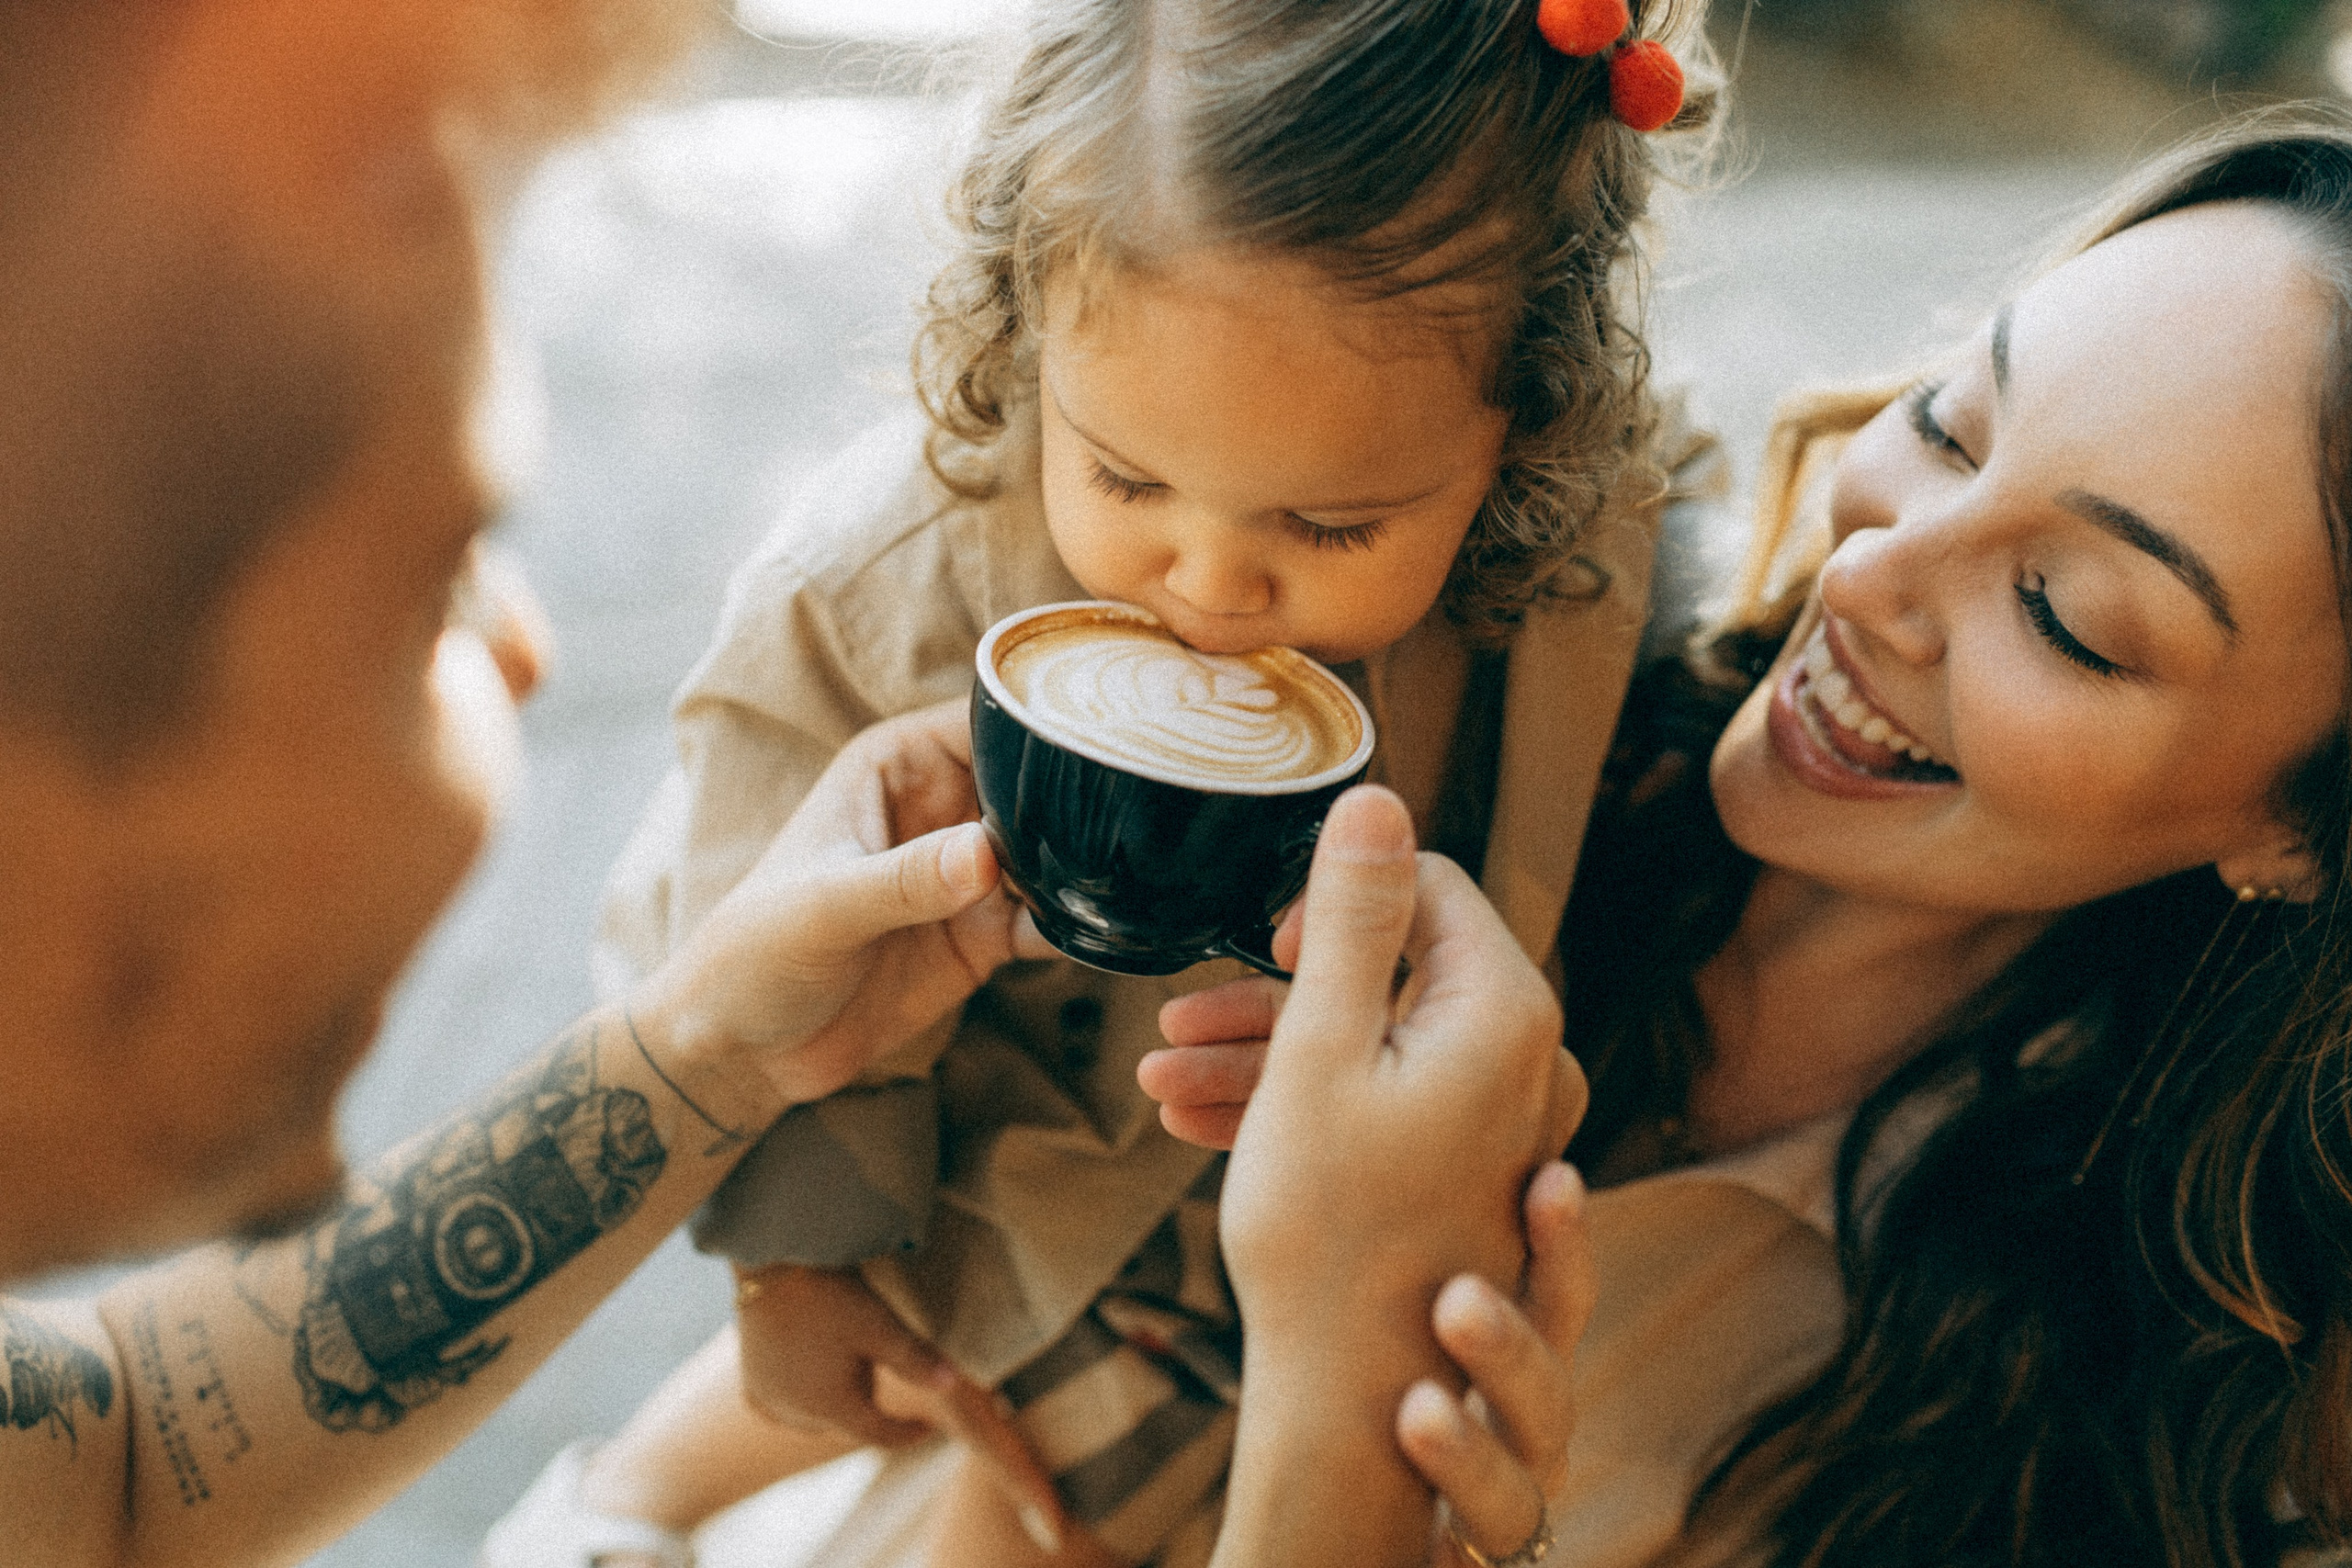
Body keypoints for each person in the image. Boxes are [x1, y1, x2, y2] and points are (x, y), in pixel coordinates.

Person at [0, 2, 1592, 1565]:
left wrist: (703, 1056)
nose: (532, 651)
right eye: (438, 588)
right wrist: (1355, 1431)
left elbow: (131, 1456)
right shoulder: (879, 589)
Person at [521, 1, 1720, 1563]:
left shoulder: (1563, 561)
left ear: (1529, 427)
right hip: (974, 1171)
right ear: (1024, 321)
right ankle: (618, 1514)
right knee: (1011, 1493)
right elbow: (746, 941)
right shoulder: (881, 592)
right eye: (1128, 479)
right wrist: (793, 1270)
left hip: (1296, 1213)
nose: (1212, 583)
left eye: (1334, 529)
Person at [1149, 109, 2352, 1568]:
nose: (1862, 574)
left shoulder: (2197, 1436)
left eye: (2067, 618)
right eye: (1948, 426)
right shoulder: (1497, 690)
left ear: (2303, 833)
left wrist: (1342, 1435)